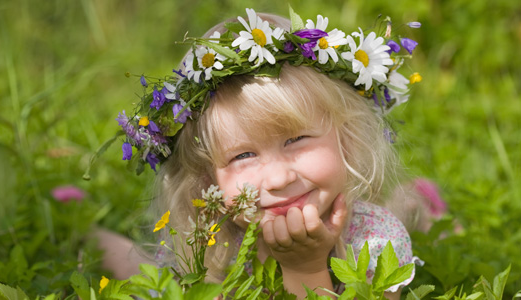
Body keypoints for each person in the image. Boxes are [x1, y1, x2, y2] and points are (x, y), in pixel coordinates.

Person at [101, 8, 424, 299]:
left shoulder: (373, 241)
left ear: (347, 140)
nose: (279, 178)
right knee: (143, 274)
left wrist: (305, 269)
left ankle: (419, 203)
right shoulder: (213, 246)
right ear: (206, 178)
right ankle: (88, 233)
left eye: (296, 139)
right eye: (242, 156)